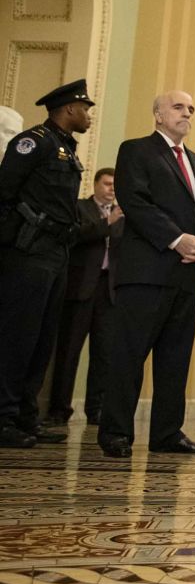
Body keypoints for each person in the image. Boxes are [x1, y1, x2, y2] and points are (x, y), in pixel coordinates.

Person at [98, 91, 195, 459]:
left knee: (176, 358)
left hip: (188, 276)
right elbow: (135, 202)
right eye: (179, 107)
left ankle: (167, 432)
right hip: (147, 272)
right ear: (157, 114)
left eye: (191, 109)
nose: (187, 113)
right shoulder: (136, 150)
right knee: (129, 355)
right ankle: (116, 432)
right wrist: (177, 240)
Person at [0, 79, 94, 448]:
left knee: (42, 340)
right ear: (69, 109)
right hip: (28, 252)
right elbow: (4, 192)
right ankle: (3, 417)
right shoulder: (33, 142)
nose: (88, 115)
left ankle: (26, 416)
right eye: (85, 108)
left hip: (57, 253)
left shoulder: (66, 149)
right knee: (17, 337)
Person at [46, 167, 123, 426]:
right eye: (107, 184)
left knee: (104, 354)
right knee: (69, 352)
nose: (112, 189)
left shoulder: (123, 215)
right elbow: (76, 235)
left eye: (115, 185)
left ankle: (96, 410)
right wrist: (106, 224)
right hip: (80, 289)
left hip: (108, 290)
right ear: (96, 185)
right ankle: (59, 409)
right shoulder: (80, 207)